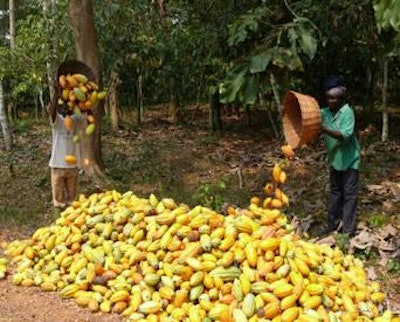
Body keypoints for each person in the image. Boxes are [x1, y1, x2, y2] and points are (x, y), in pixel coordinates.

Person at [318, 75, 361, 236]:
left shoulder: (347, 112)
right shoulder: (325, 113)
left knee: (349, 195)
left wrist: (325, 129)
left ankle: (348, 231)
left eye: (335, 98)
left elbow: (345, 135)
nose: (332, 101)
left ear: (341, 98)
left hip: (350, 161)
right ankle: (332, 223)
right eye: (329, 98)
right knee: (336, 193)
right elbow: (310, 119)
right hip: (335, 160)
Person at [48, 99, 85, 216]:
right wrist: (56, 93)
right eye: (62, 107)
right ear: (59, 110)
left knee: (72, 200)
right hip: (57, 165)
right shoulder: (57, 121)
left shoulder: (77, 120)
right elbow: (52, 111)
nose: (65, 109)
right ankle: (57, 223)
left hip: (72, 167)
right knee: (58, 200)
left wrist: (76, 94)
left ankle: (71, 225)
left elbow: (87, 109)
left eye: (67, 106)